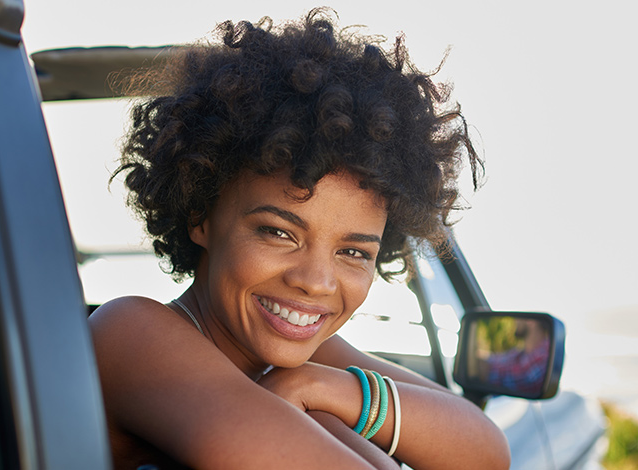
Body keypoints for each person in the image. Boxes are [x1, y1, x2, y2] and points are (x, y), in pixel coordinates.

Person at [89, 9, 509, 470]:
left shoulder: (302, 355)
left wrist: (327, 388)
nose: (315, 281)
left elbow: (487, 452)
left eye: (352, 251)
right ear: (200, 215)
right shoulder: (131, 334)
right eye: (279, 232)